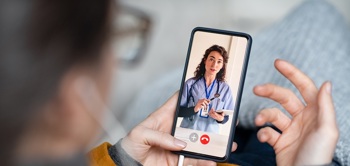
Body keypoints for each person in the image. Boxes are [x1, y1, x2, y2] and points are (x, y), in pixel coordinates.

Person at [0, 0, 339, 166]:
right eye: (115, 36)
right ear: (73, 94)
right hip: (247, 149)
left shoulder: (219, 86)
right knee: (317, 18)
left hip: (205, 142)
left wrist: (122, 159)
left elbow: (222, 114)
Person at [178, 45, 233, 133]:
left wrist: (220, 118)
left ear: (222, 65)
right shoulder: (190, 83)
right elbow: (178, 111)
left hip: (210, 135)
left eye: (219, 62)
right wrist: (194, 109)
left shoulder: (225, 89)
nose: (214, 65)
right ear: (205, 60)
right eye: (211, 59)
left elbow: (226, 118)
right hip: (187, 131)